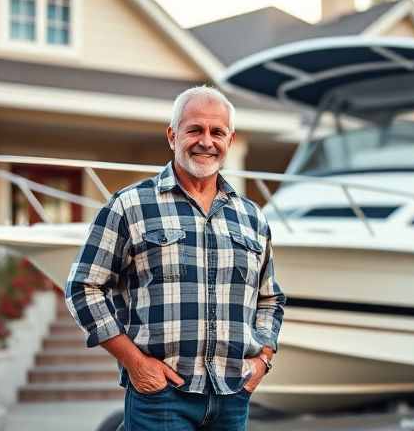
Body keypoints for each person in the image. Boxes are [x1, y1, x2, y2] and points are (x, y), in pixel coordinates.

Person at [65, 85, 285, 431]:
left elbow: (270, 299)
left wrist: (262, 362)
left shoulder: (251, 216)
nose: (206, 141)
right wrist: (135, 363)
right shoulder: (131, 205)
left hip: (233, 396)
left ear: (230, 140)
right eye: (195, 129)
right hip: (161, 398)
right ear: (173, 135)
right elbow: (84, 287)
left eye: (217, 132)